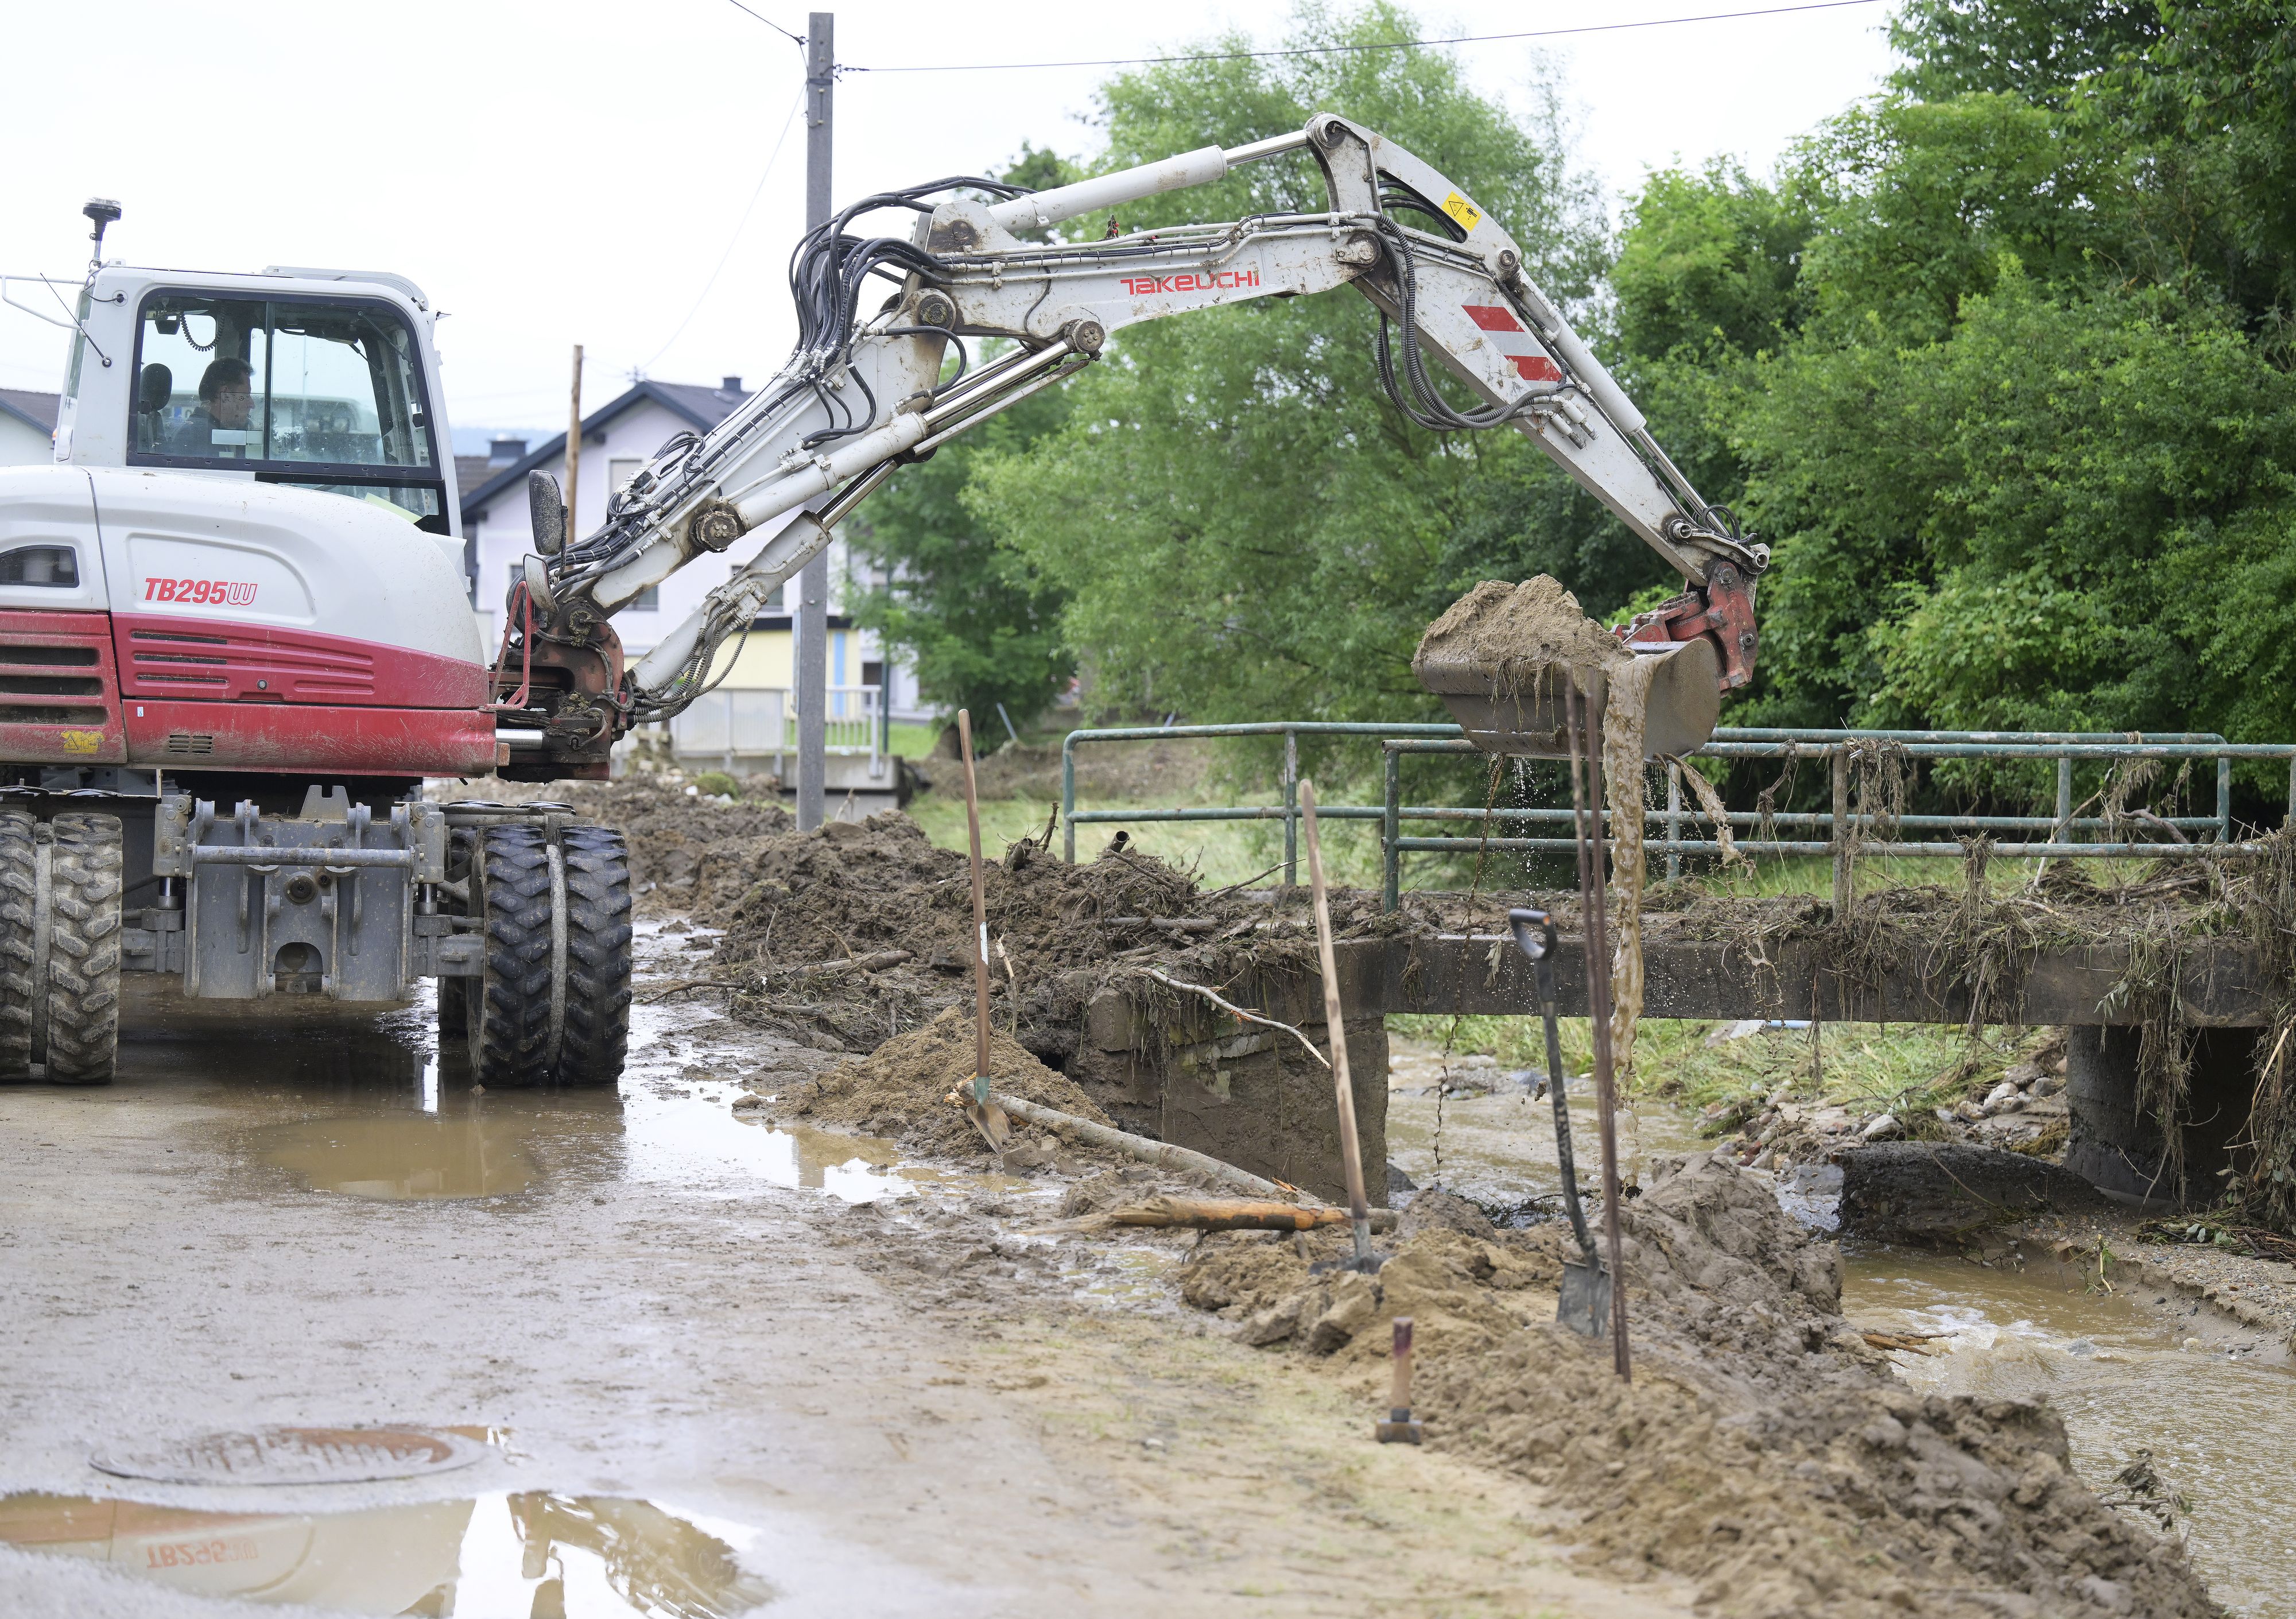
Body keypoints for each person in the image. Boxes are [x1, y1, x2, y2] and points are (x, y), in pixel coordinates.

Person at [192, 357, 257, 454]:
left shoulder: (209, 431)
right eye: (246, 396)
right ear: (225, 395)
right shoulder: (201, 437)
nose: (252, 405)